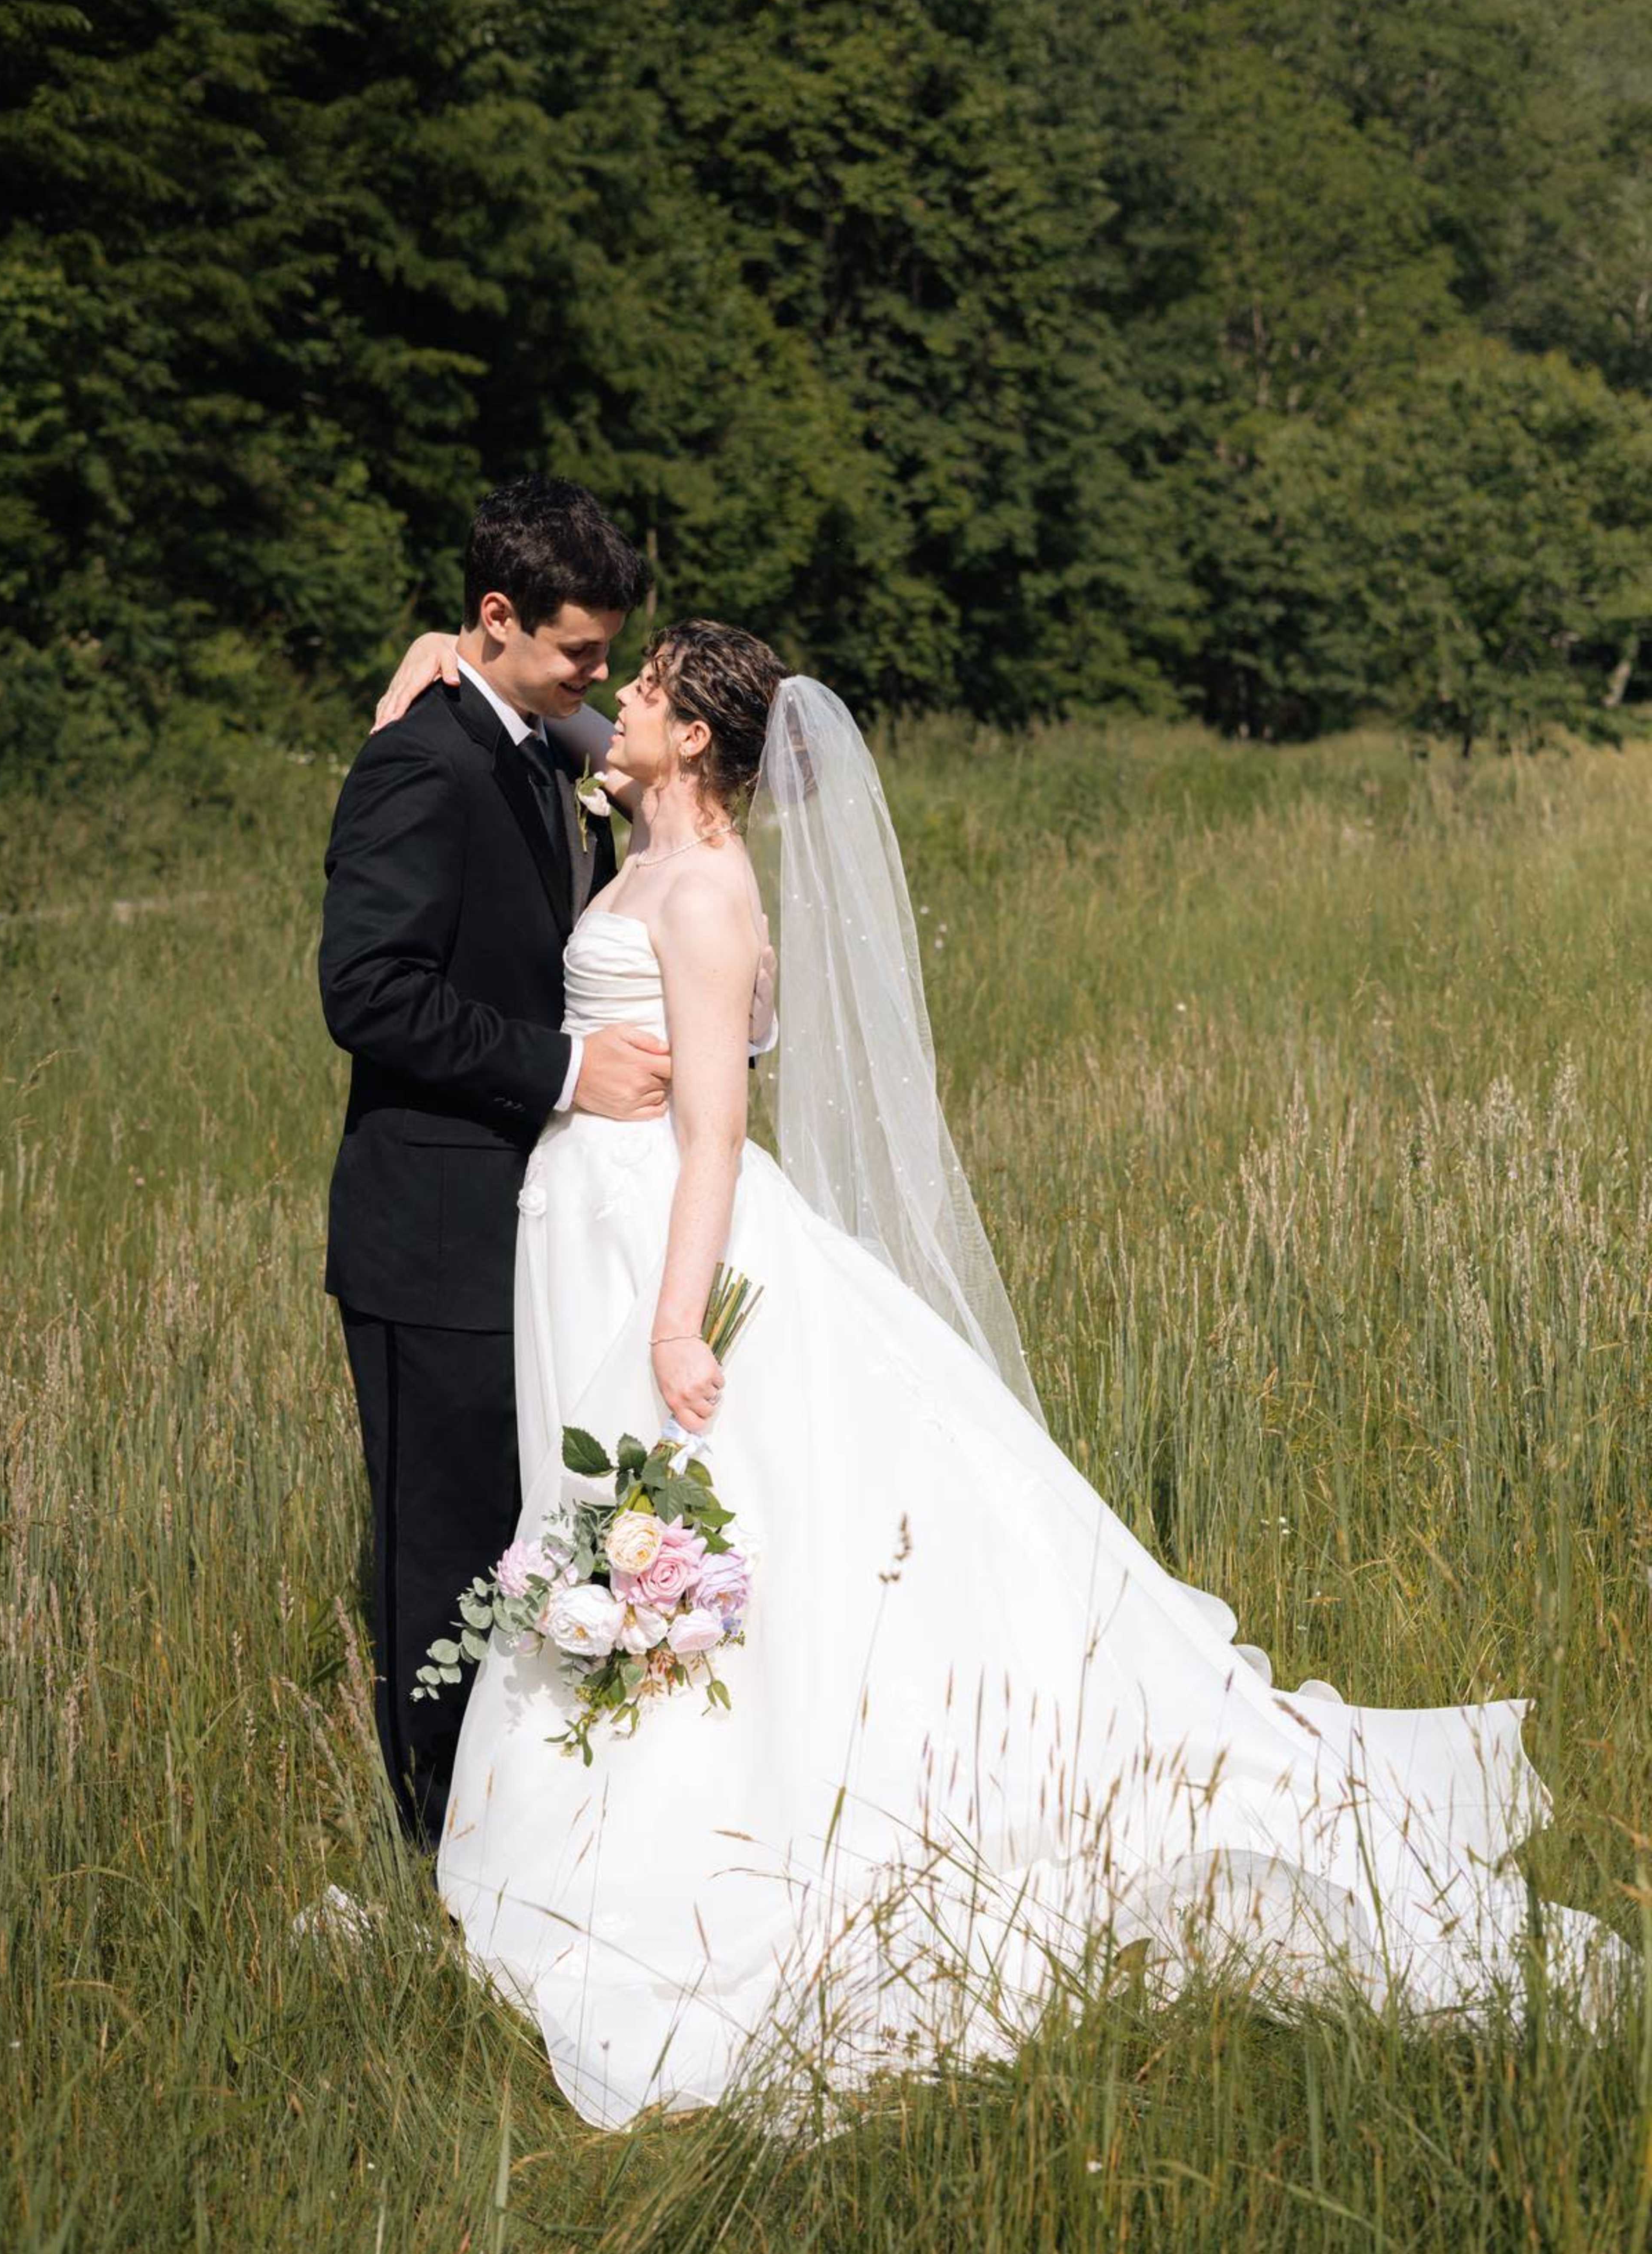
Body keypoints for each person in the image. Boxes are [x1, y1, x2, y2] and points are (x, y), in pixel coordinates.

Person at [376, 619, 1619, 2129]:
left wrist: (675, 1324)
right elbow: (539, 724)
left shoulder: (702, 893)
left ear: (693, 740)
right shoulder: (646, 831)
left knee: (713, 1524)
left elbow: (712, 1131)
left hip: (662, 1240)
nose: (613, 702)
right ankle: (605, 1775)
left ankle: (707, 1814)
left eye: (639, 692)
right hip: (585, 1228)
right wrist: (441, 657)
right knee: (636, 1525)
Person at [319, 478, 773, 1846]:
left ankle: (527, 1831)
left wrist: (447, 650)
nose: (599, 678)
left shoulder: (536, 747)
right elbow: (369, 992)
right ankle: (432, 1846)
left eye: (616, 659)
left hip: (539, 1228)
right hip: (433, 1228)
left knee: (520, 1542)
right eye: (581, 650)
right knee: (439, 1548)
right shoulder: (424, 760)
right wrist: (568, 1070)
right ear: (503, 617)